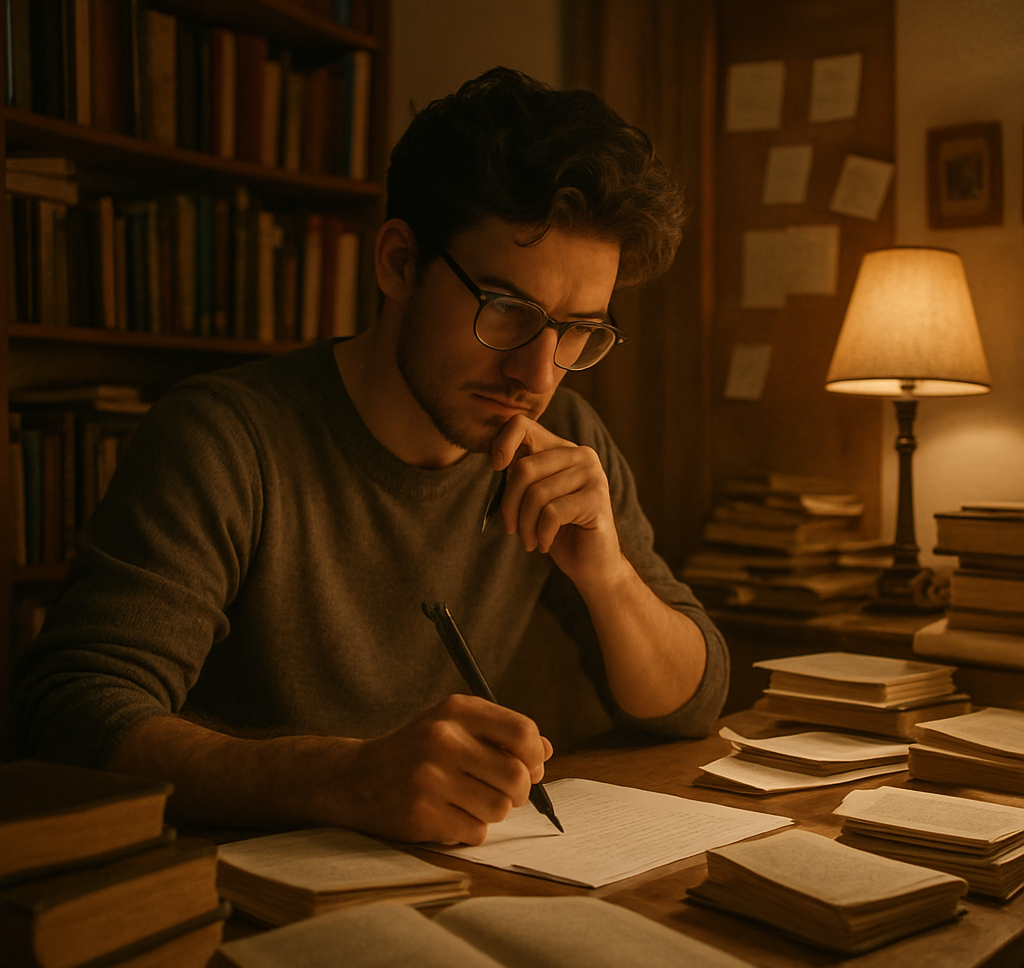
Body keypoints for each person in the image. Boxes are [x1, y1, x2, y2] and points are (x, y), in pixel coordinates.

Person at [13, 68, 728, 846]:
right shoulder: (225, 439)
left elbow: (692, 700)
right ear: (396, 263)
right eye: (508, 311)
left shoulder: (569, 442)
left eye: (580, 330)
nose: (539, 374)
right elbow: (73, 717)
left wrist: (609, 576)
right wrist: (344, 778)